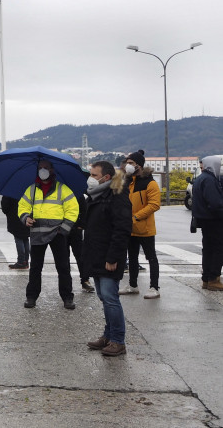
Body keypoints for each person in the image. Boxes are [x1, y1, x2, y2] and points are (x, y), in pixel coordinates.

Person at [82, 161, 131, 357]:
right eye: (91, 174)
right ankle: (108, 336)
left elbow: (122, 229)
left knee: (110, 298)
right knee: (104, 297)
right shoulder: (97, 195)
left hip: (109, 256)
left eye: (94, 175)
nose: (91, 178)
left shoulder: (117, 196)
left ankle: (118, 341)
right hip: (96, 255)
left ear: (106, 177)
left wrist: (113, 257)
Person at [19, 160, 79, 309]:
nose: (42, 170)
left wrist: (63, 229)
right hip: (38, 233)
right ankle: (31, 297)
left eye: (45, 168)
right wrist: (26, 218)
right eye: (40, 168)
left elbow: (73, 209)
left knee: (63, 267)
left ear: (52, 170)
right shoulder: (32, 189)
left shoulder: (62, 189)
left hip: (57, 233)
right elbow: (22, 206)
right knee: (35, 268)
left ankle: (67, 297)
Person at [119, 150, 161, 299]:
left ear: (139, 165)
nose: (127, 166)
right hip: (130, 227)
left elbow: (154, 205)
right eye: (127, 163)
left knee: (151, 257)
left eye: (130, 163)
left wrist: (136, 217)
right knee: (133, 257)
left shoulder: (150, 182)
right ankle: (132, 285)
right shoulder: (128, 181)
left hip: (145, 228)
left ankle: (154, 287)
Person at [190, 155, 223, 291]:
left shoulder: (200, 179)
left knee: (208, 249)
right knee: (218, 249)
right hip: (213, 220)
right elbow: (215, 204)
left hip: (203, 220)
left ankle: (206, 278)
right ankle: (214, 279)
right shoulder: (210, 180)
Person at [69, 192, 94, 292]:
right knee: (63, 258)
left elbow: (84, 211)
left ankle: (85, 279)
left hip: (75, 229)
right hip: (61, 230)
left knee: (80, 256)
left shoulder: (77, 193)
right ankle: (66, 282)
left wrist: (81, 226)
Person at [2, 195, 29, 270]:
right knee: (25, 239)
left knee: (18, 238)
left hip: (15, 217)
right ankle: (25, 261)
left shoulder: (10, 192)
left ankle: (21, 262)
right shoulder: (27, 189)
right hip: (26, 216)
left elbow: (5, 207)